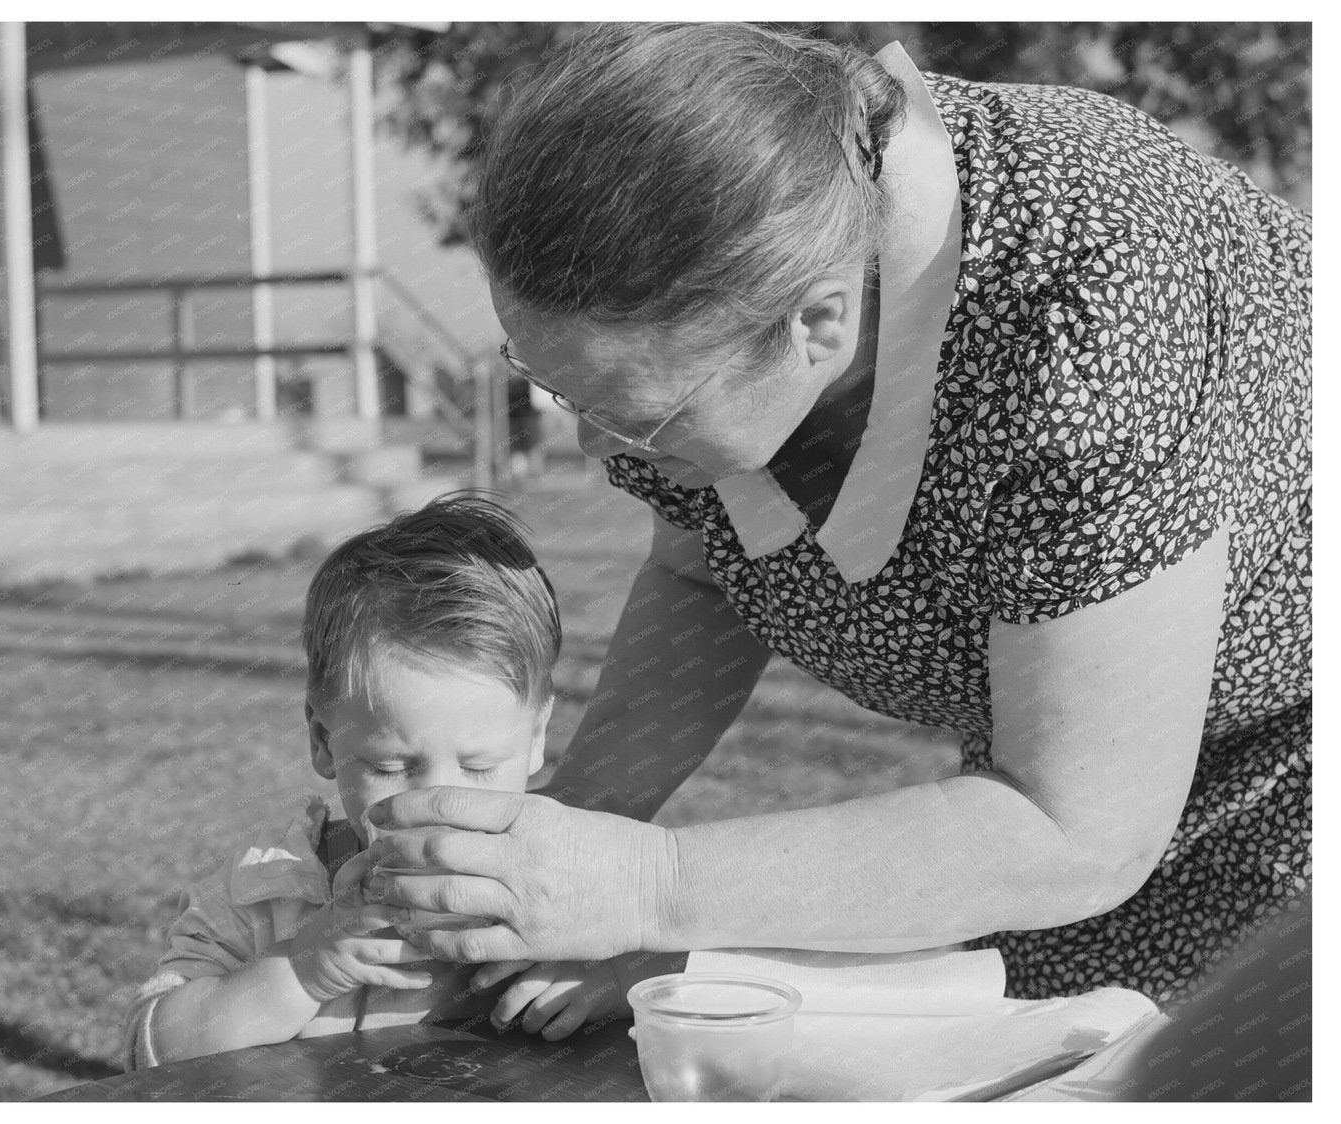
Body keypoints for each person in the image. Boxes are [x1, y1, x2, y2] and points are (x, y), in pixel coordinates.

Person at [354, 22, 1311, 1030]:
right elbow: (704, 576)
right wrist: (550, 843)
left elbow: (1071, 829)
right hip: (1080, 801)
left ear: (817, 324)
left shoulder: (1086, 319)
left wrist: (644, 884)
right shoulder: (766, 225)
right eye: (553, 386)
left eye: (636, 415)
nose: (602, 456)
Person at [121, 495, 677, 1067]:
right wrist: (299, 972)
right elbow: (150, 1052)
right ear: (322, 740)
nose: (437, 804)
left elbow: (710, 967)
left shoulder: (574, 873)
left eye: (479, 765)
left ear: (535, 737)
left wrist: (613, 975)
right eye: (391, 767)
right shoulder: (267, 891)